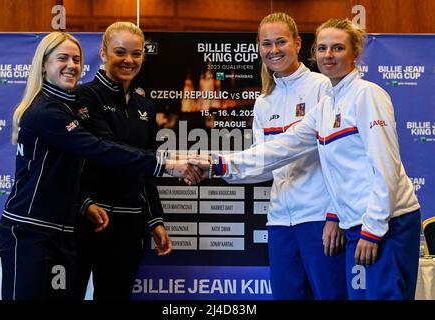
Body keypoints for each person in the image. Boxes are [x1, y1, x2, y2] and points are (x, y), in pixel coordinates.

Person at [193, 18, 421, 300]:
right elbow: (280, 148)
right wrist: (218, 164)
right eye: (323, 48)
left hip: (385, 221)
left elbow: (385, 167)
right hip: (353, 223)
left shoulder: (367, 94)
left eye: (337, 48)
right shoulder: (327, 105)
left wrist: (369, 227)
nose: (328, 55)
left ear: (354, 52)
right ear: (314, 51)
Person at [0, 32, 199, 300]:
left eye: (76, 59)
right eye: (62, 58)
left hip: (62, 230)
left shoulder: (66, 105)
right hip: (32, 231)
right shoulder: (51, 109)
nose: (71, 65)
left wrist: (152, 218)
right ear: (43, 64)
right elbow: (100, 148)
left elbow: (72, 168)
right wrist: (167, 164)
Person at [223, 12, 347, 300]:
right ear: (258, 48)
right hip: (280, 222)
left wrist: (334, 215)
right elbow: (263, 164)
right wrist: (217, 169)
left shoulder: (323, 87)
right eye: (266, 43)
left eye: (281, 41)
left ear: (298, 43)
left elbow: (341, 158)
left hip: (320, 218)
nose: (274, 50)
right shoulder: (264, 102)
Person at [73, 22, 172, 300]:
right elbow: (98, 152)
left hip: (129, 226)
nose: (129, 60)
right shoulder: (83, 96)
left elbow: (145, 168)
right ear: (103, 53)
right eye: (120, 52)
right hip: (88, 220)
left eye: (136, 53)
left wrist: (155, 220)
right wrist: (84, 203)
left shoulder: (146, 107)